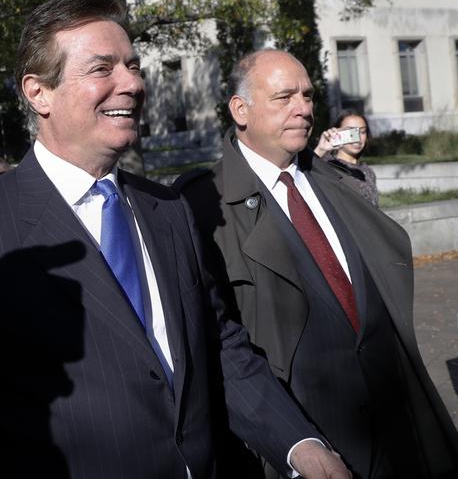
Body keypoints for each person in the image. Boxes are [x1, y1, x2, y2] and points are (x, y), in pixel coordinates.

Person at [0, 0, 350, 479]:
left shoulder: (167, 209)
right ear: (39, 93)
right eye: (102, 68)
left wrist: (299, 443)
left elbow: (220, 344)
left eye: (133, 66)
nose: (133, 84)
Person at [175, 49, 458, 478]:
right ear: (240, 109)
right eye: (284, 96)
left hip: (396, 433)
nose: (304, 108)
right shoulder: (199, 206)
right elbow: (215, 347)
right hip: (297, 447)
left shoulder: (337, 181)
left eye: (308, 95)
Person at [313, 110, 378, 207]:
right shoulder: (326, 165)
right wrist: (320, 150)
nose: (358, 137)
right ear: (337, 132)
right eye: (351, 132)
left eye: (362, 131)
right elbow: (300, 174)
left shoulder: (368, 171)